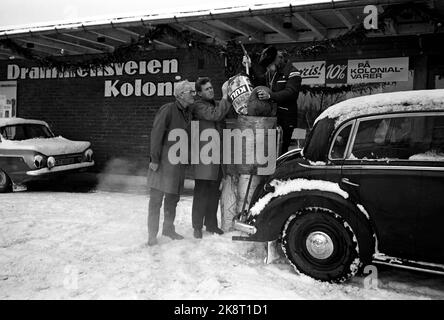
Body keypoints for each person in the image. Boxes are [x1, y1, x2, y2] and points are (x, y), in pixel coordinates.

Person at [146, 80, 195, 246]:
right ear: (181, 94)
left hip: (177, 165)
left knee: (172, 199)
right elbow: (156, 134)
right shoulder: (168, 109)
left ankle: (168, 229)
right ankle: (152, 235)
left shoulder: (187, 112)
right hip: (162, 164)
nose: (193, 94)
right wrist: (154, 159)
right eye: (191, 92)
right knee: (156, 201)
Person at [190, 77, 232, 239]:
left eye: (211, 87)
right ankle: (197, 226)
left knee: (214, 191)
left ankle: (211, 224)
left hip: (217, 156)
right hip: (204, 156)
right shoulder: (198, 106)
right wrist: (224, 96)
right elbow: (215, 116)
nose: (210, 90)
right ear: (199, 93)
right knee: (201, 192)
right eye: (207, 89)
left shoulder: (215, 103)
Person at [244, 46, 302, 154]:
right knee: (269, 151)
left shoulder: (293, 72)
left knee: (282, 150)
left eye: (269, 65)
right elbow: (258, 82)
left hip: (287, 118)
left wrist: (270, 96)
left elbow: (291, 93)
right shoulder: (272, 73)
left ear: (277, 59)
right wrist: (250, 67)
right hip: (272, 117)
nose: (268, 69)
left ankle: (282, 170)